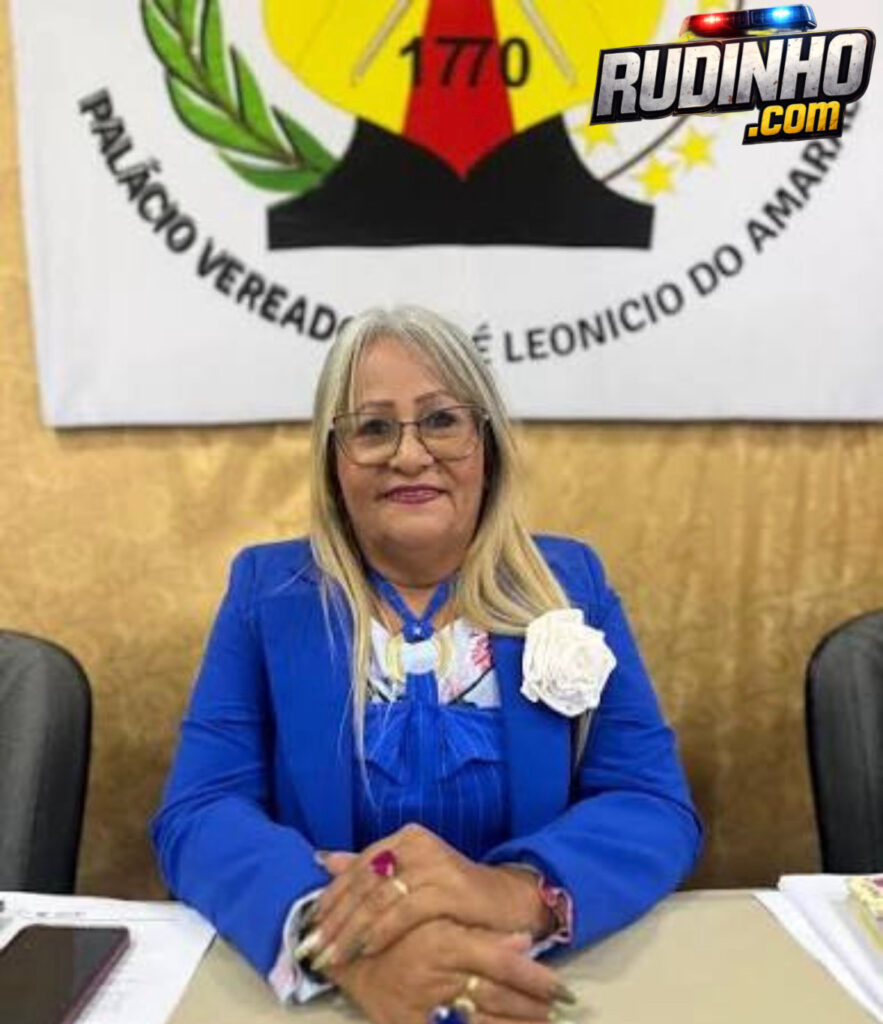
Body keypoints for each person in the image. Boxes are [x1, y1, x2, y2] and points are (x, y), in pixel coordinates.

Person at [151, 305, 702, 1024]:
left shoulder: (570, 584)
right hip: (334, 1000)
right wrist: (348, 948)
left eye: (441, 421)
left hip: (532, 978)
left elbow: (650, 801)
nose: (410, 456)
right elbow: (199, 812)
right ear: (332, 460)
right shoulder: (268, 592)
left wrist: (511, 893)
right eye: (373, 428)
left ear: (486, 444)